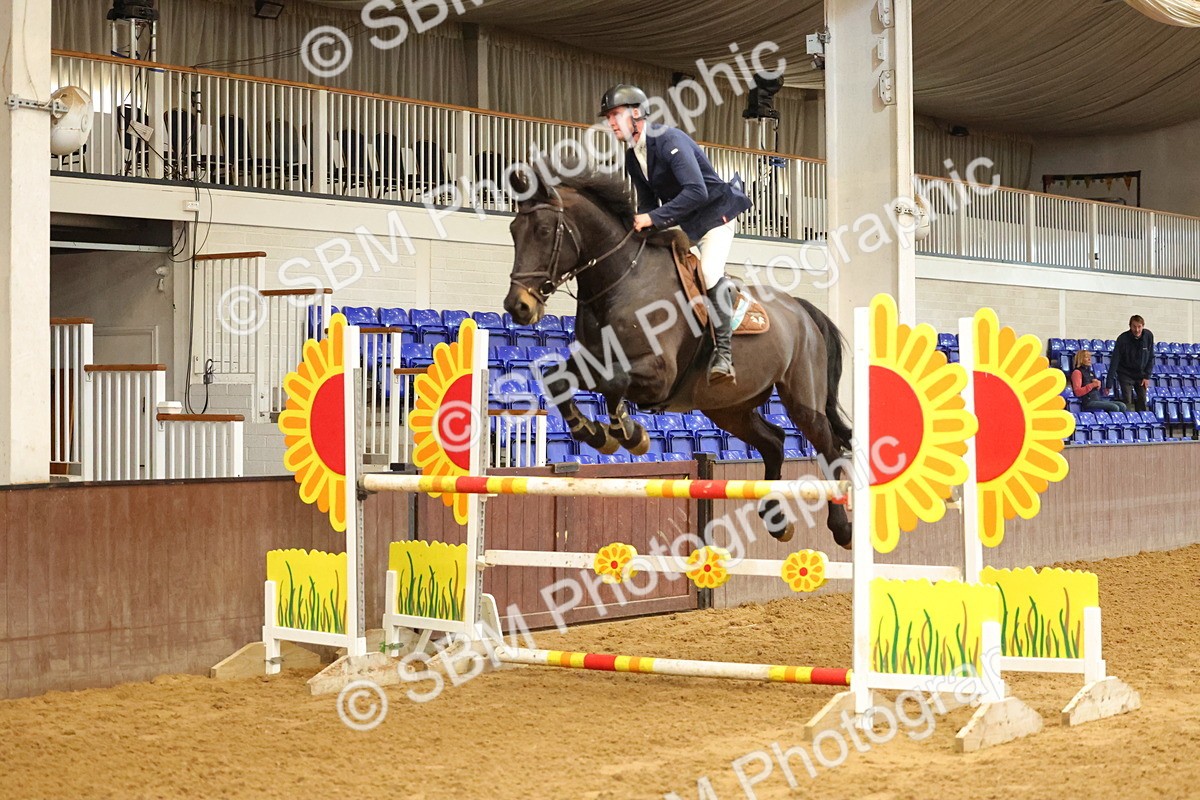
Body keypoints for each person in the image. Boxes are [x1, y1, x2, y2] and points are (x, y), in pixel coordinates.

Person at [599, 84, 752, 384]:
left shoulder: (670, 140)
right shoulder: (632, 157)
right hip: (683, 224)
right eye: (608, 117)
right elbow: (646, 204)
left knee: (708, 273)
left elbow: (697, 191)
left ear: (636, 113)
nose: (611, 122)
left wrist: (652, 218)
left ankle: (723, 356)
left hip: (713, 219)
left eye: (615, 114)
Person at [1109, 315, 1155, 412]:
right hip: (1125, 373)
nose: (1137, 330)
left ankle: (1141, 422)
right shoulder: (1122, 339)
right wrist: (1108, 384)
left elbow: (1151, 357)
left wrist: (1147, 376)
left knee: (1142, 399)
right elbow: (1114, 361)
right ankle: (1127, 421)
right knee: (1127, 399)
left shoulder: (1148, 336)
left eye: (1139, 327)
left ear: (1143, 326)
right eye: (1134, 326)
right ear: (1130, 326)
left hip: (1141, 374)